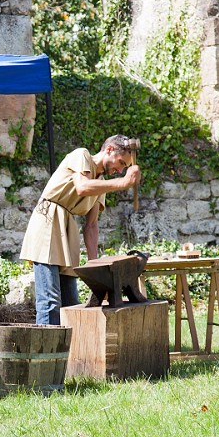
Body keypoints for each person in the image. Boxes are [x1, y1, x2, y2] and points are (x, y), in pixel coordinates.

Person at [19, 135, 141, 325]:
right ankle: (45, 354)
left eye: (125, 167)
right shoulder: (81, 155)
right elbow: (82, 187)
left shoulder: (100, 184)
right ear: (109, 150)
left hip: (68, 231)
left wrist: (95, 269)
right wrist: (124, 183)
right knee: (50, 301)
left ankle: (71, 352)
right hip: (48, 222)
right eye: (121, 163)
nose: (120, 170)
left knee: (71, 304)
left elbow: (91, 226)